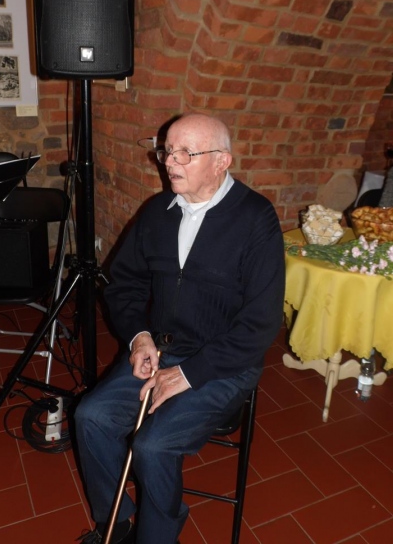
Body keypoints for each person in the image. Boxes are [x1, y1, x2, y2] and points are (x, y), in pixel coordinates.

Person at [75, 113, 285, 544]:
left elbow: (261, 323)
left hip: (225, 364)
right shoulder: (157, 211)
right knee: (90, 416)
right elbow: (124, 284)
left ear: (222, 161)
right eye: (167, 151)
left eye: (186, 153)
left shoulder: (256, 218)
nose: (170, 161)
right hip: (161, 350)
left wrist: (188, 374)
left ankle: (159, 534)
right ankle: (117, 522)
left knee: (153, 446)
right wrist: (139, 338)